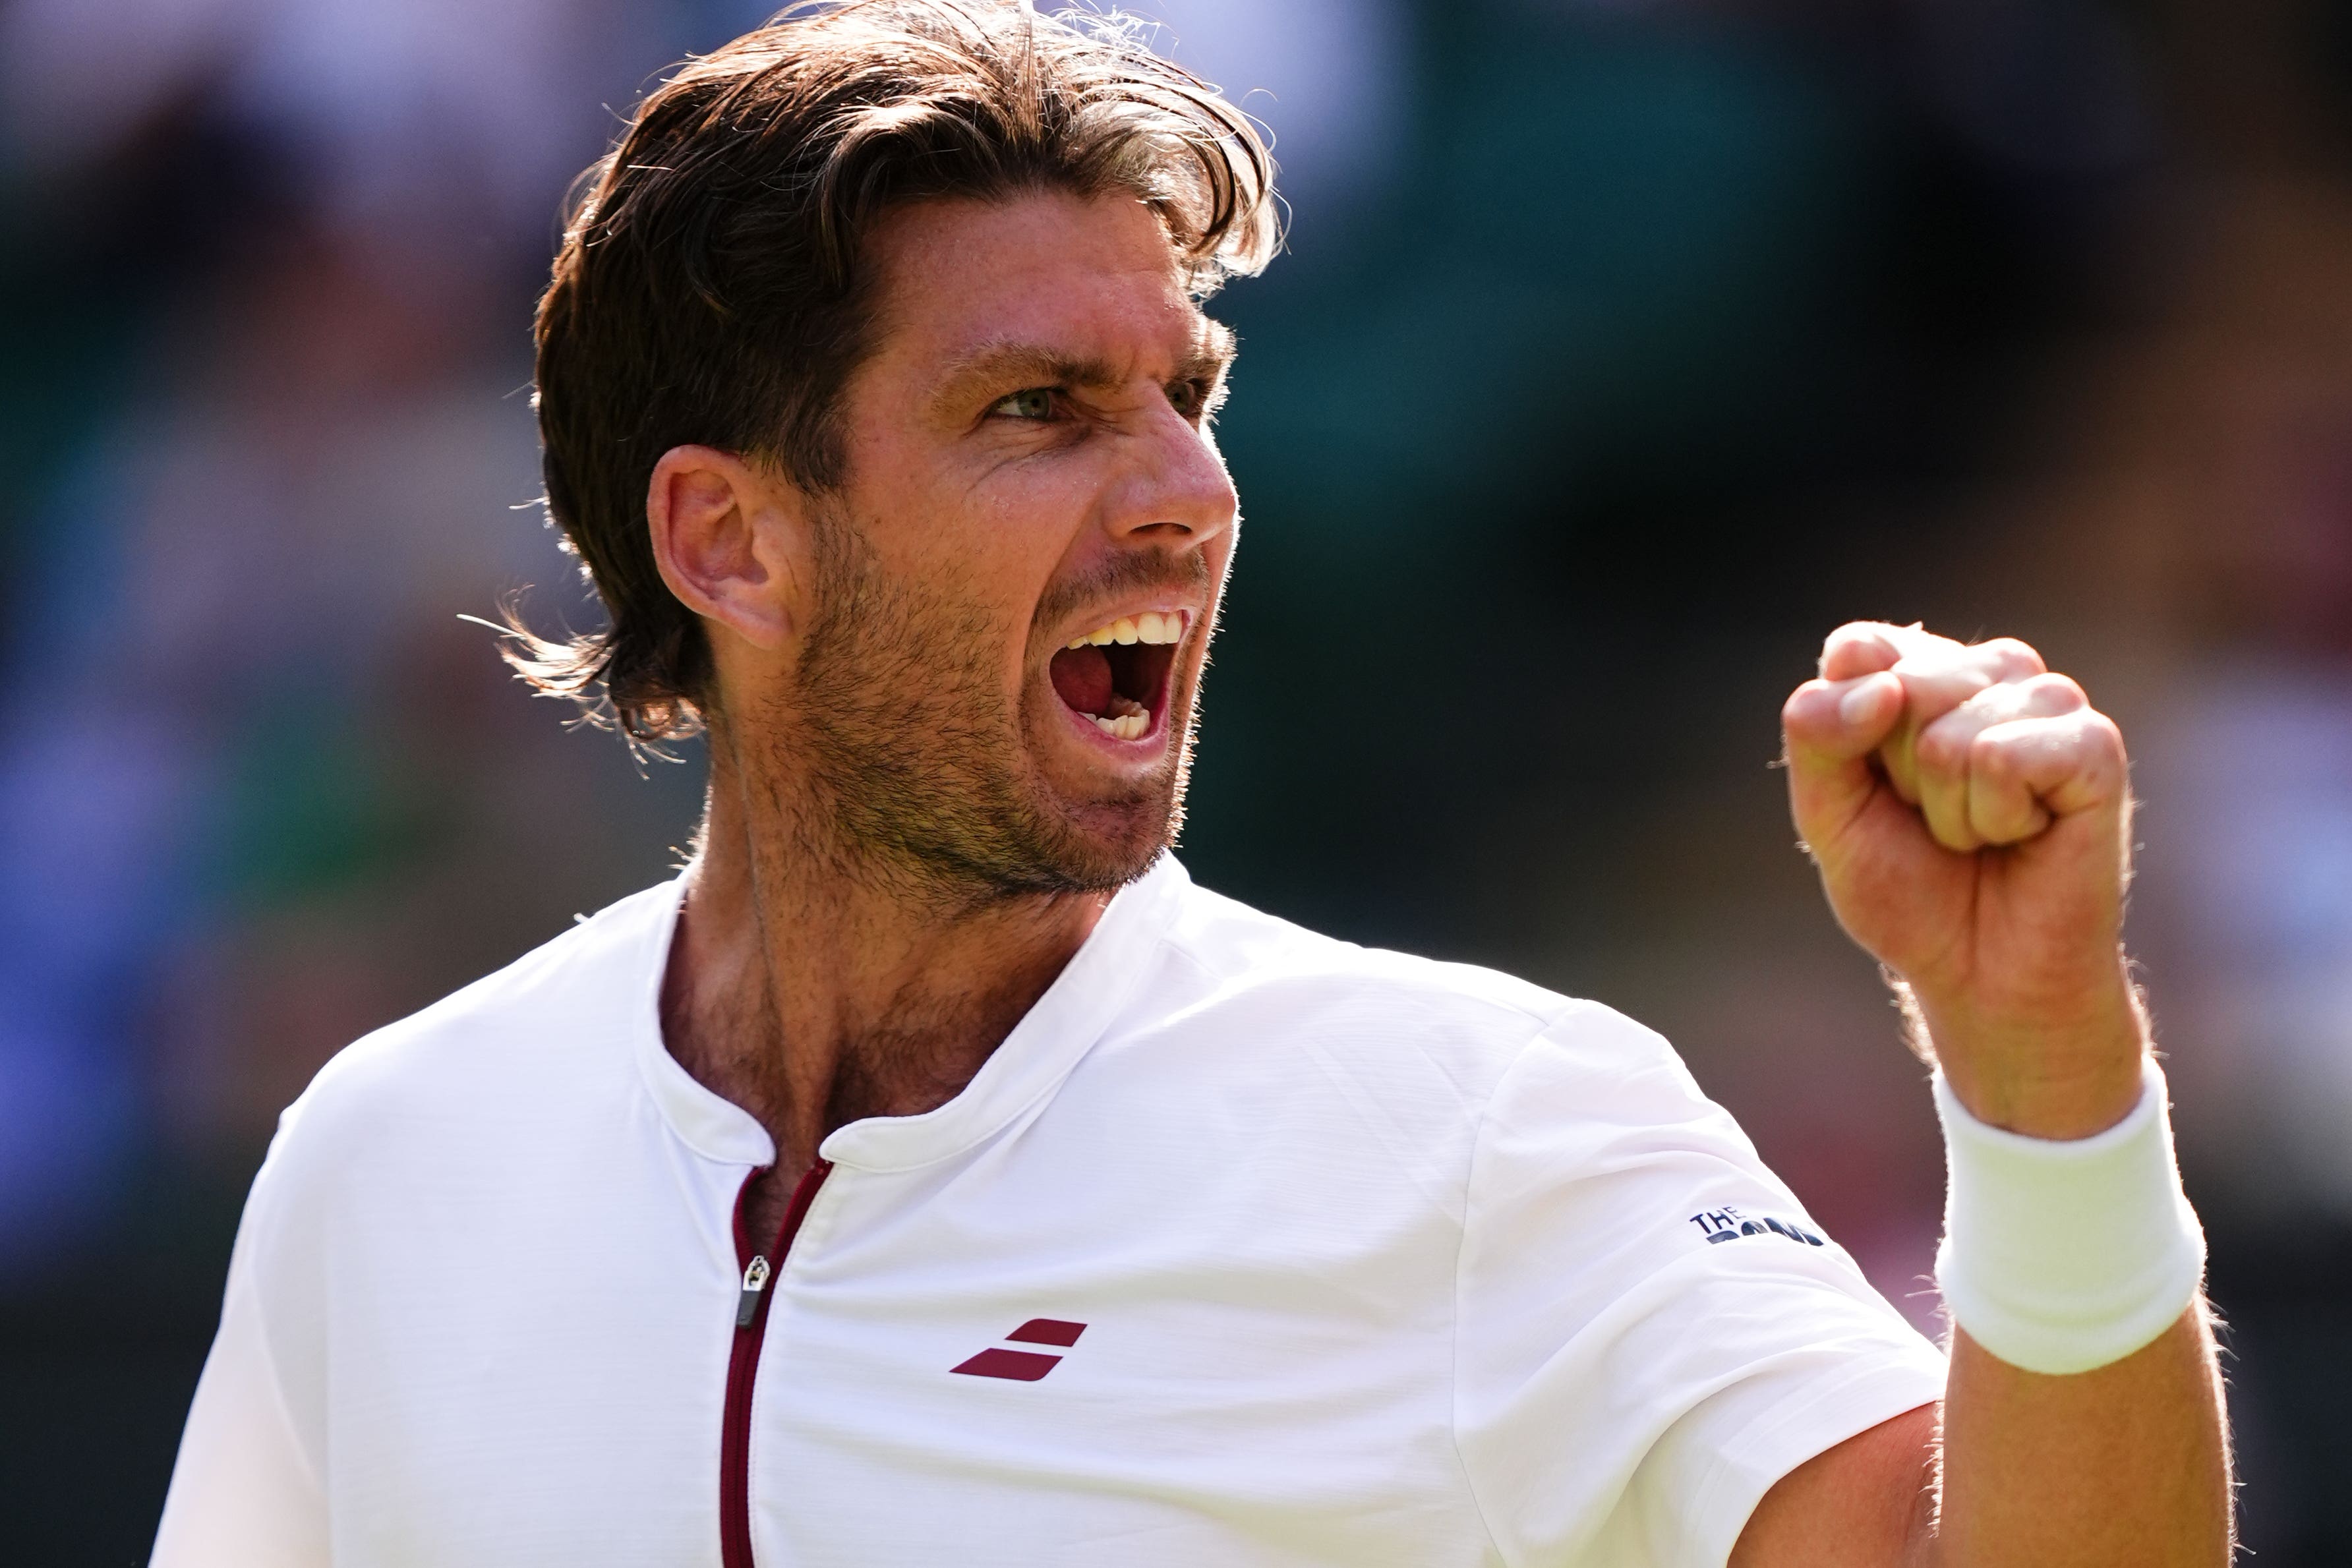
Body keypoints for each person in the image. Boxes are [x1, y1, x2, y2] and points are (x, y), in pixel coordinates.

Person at [150, 4, 2231, 1564]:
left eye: (1190, 395)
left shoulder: (1486, 1123)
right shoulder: (388, 1155)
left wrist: (2045, 1074)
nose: (1188, 495)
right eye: (1040, 409)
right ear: (730, 542)